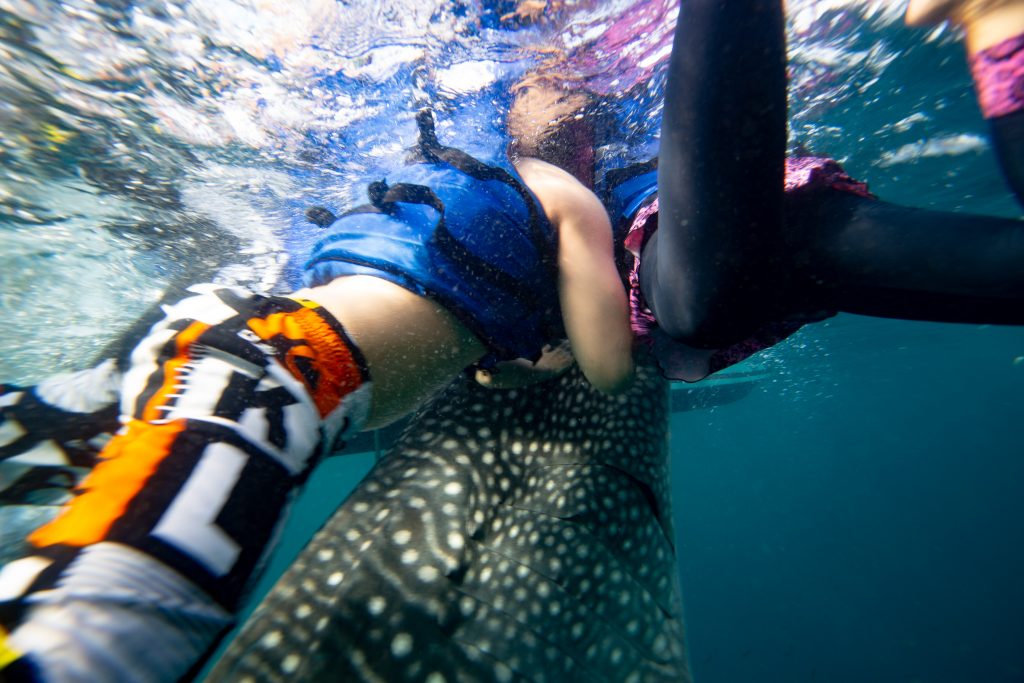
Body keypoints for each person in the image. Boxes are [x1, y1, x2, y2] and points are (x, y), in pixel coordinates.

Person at [0, 106, 634, 681]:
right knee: (105, 633)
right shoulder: (568, 197)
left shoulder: (457, 174)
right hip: (267, 384)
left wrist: (513, 362)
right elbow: (609, 369)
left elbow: (437, 317)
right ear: (590, 136)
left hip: (226, 334)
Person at [616, 0, 1024, 381]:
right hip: (788, 257)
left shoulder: (592, 125)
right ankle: (1002, 25)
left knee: (701, 313)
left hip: (710, 237)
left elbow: (614, 368)